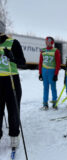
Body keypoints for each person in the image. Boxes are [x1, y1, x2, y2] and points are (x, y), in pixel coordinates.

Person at [0, 19, 26, 148]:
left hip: (11, 80)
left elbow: (22, 62)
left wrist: (12, 58)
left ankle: (14, 135)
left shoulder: (13, 42)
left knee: (13, 109)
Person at [38, 36, 61, 110]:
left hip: (52, 71)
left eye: (48, 41)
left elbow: (58, 63)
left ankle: (55, 104)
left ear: (52, 42)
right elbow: (40, 62)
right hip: (44, 71)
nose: (47, 42)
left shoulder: (56, 51)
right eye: (46, 41)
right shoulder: (43, 50)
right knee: (45, 88)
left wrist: (56, 74)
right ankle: (45, 104)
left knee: (53, 88)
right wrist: (40, 73)